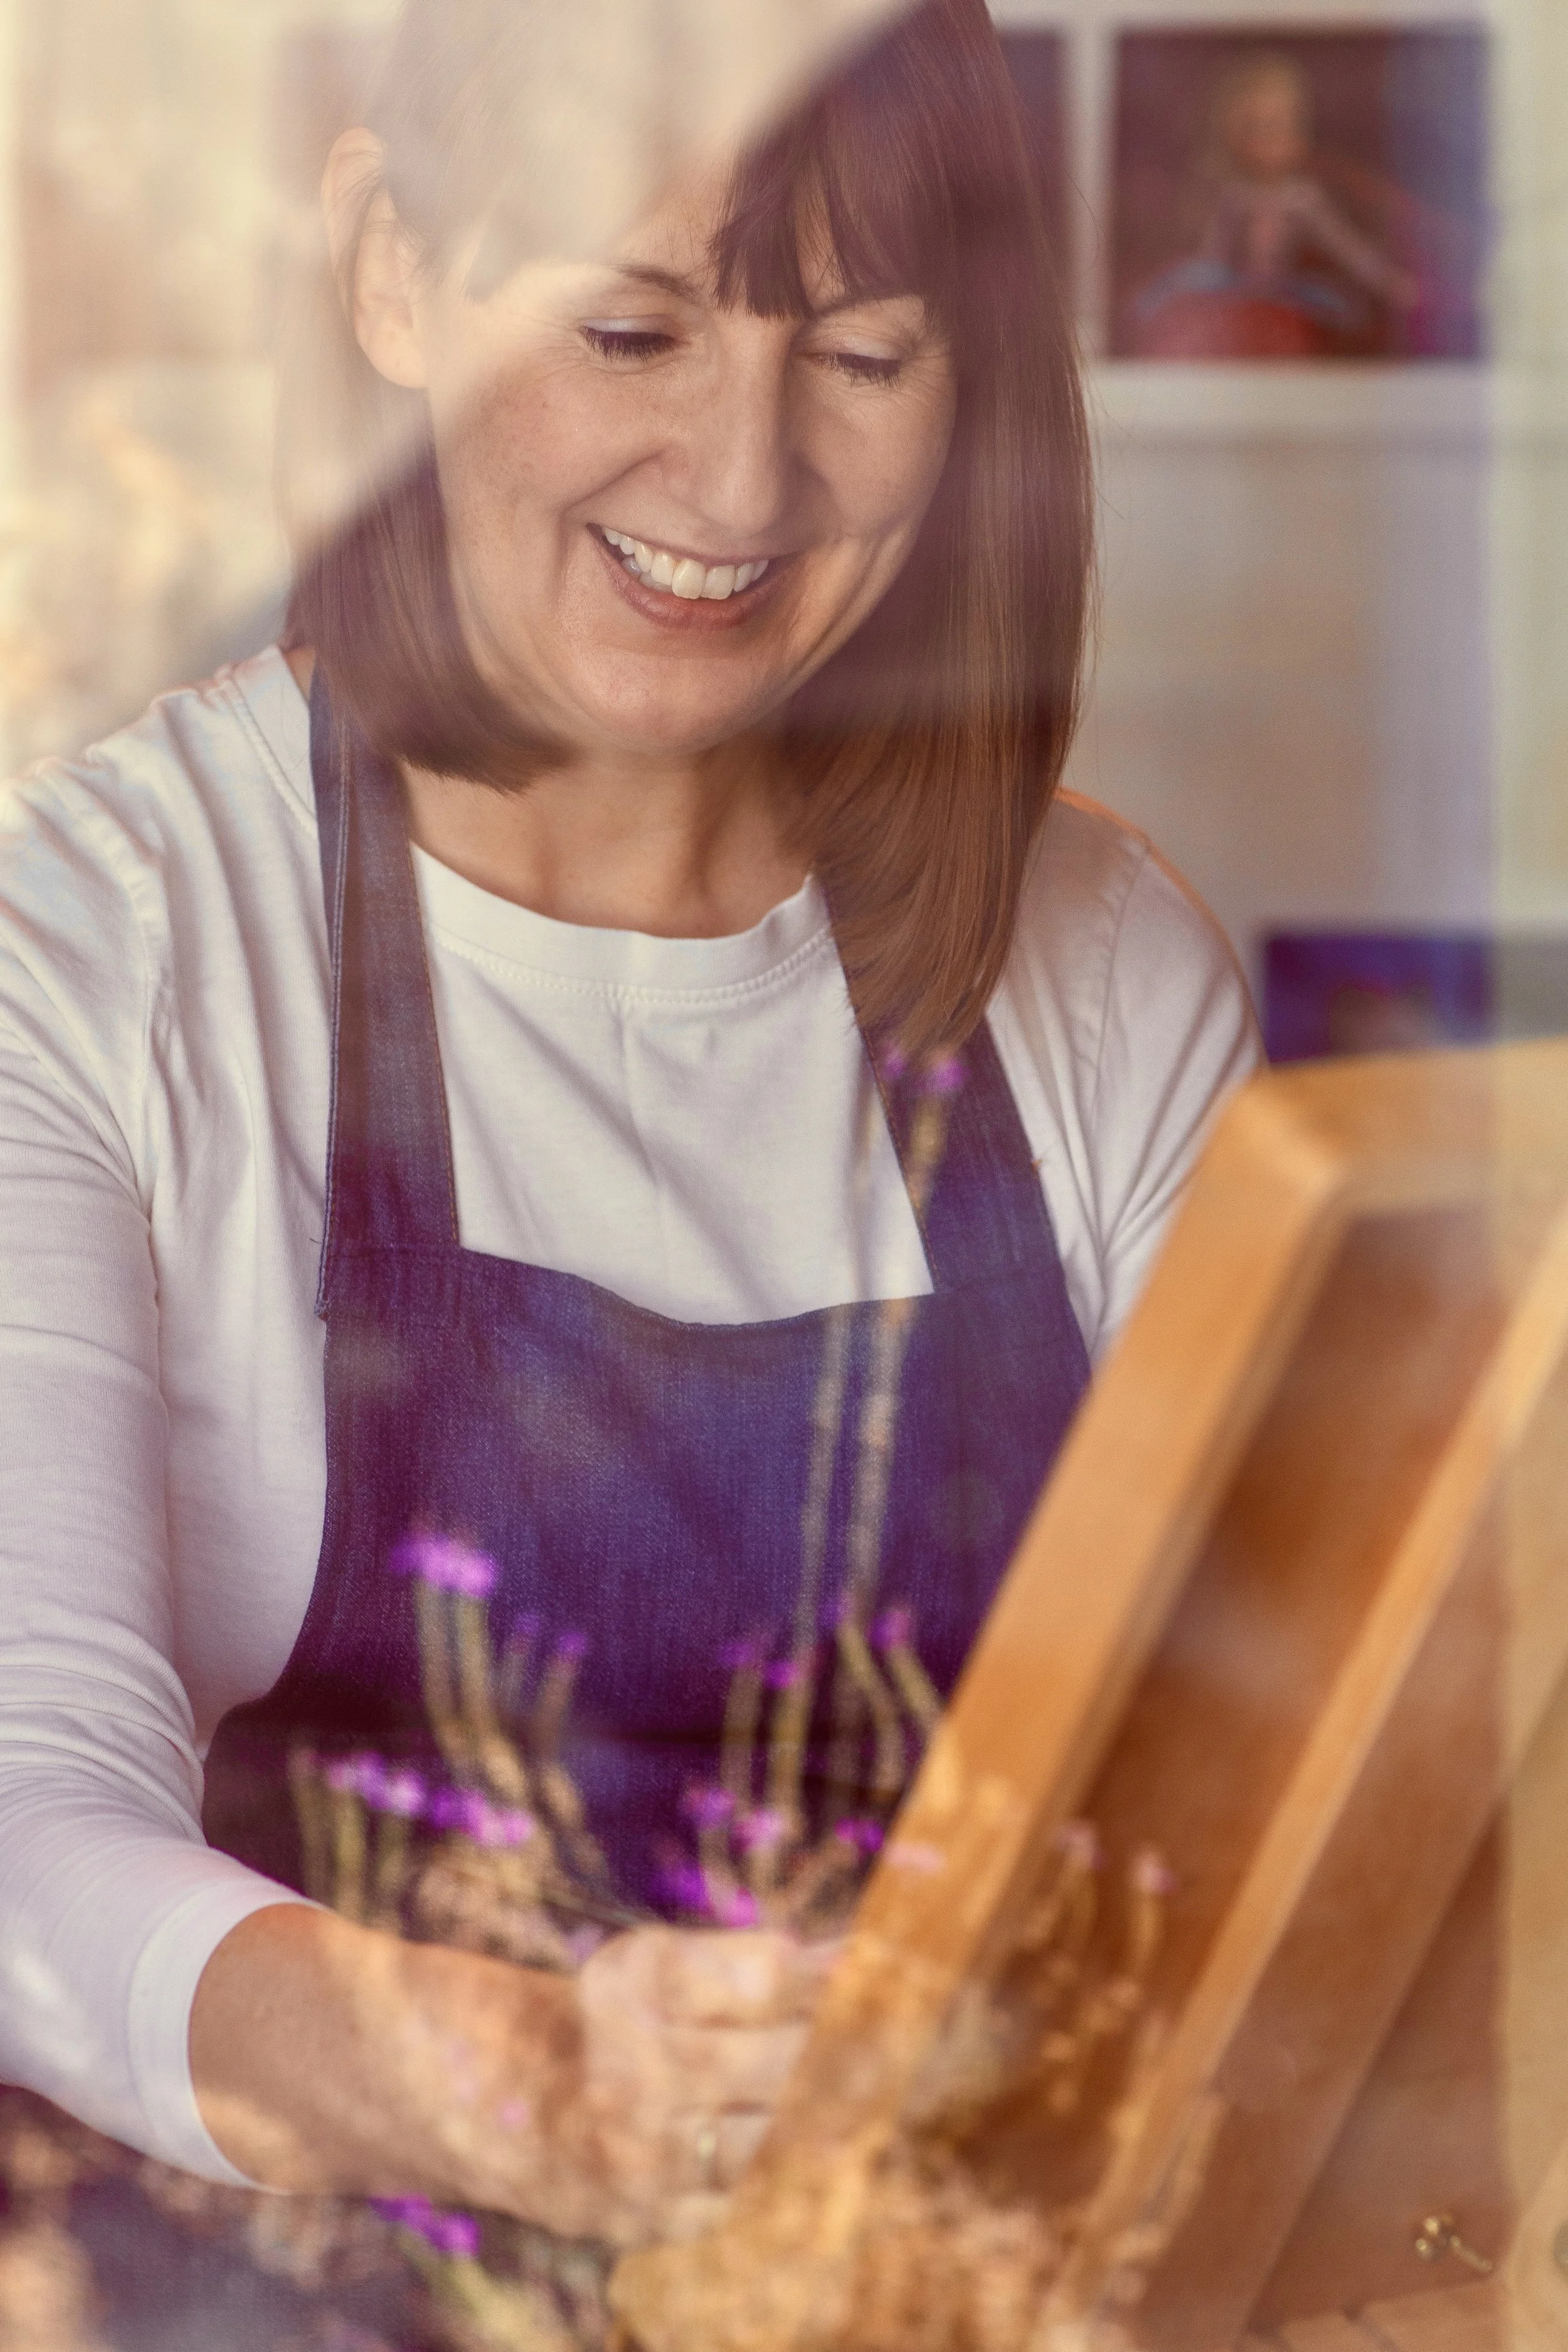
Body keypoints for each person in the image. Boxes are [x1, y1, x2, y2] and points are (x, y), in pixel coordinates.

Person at [0, 0, 1259, 2337]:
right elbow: (18, 1831)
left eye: (865, 354)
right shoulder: (101, 944)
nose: (743, 473)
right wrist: (517, 2073)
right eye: (630, 324)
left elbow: (1261, 1796)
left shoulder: (1105, 973)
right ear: (393, 271)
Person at [1130, 52, 1420, 360]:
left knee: (1345, 309)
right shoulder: (1233, 195)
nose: (1266, 141)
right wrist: (1199, 279)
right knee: (1178, 281)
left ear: (1300, 133)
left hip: (1285, 285)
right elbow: (1211, 252)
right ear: (1232, 137)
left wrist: (1388, 281)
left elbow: (1346, 247)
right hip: (1234, 281)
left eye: (1278, 127)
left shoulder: (1304, 199)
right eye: (1252, 129)